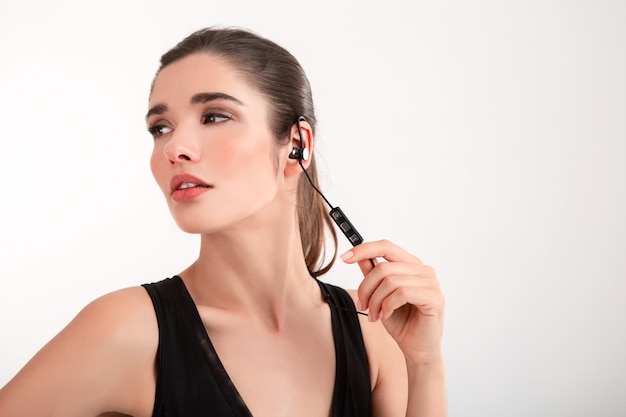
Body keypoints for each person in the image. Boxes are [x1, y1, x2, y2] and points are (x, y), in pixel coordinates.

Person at [0, 26, 446, 417]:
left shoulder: (373, 329)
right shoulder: (128, 330)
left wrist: (423, 363)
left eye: (214, 116)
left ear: (297, 146)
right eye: (161, 127)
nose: (175, 147)